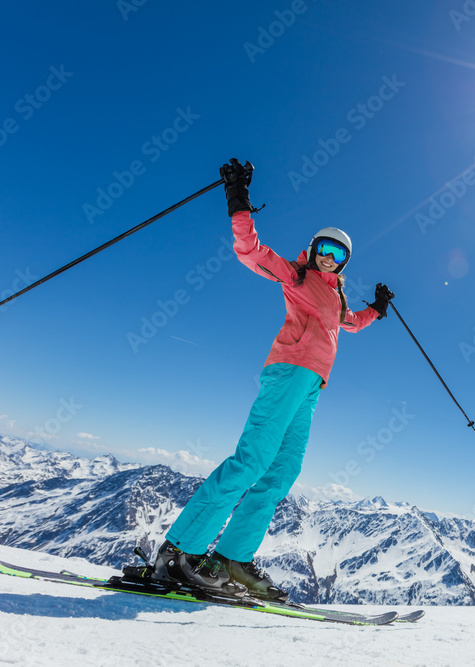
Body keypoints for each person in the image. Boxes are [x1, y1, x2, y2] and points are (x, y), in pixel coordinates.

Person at [152, 158, 394, 602]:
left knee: (281, 472)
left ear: (344, 264)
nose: (328, 257)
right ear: (313, 247)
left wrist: (376, 310)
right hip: (288, 373)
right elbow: (251, 253)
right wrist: (238, 202)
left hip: (312, 388)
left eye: (337, 255)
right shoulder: (298, 276)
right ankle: (179, 553)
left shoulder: (336, 295)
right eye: (324, 248)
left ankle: (230, 559)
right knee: (252, 461)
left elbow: (350, 323)